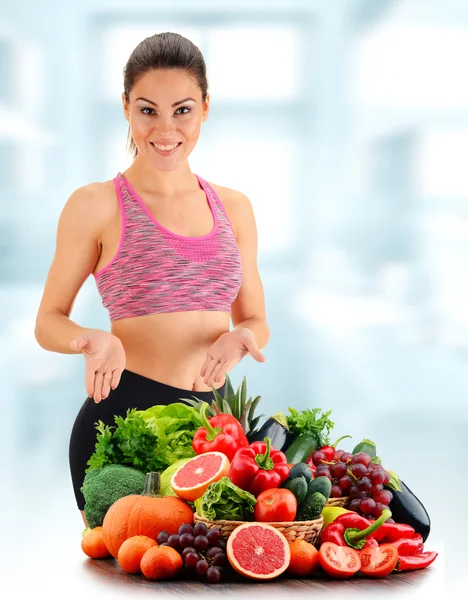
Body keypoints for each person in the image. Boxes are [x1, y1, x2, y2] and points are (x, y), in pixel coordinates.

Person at [34, 32, 270, 527]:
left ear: (205, 108)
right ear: (125, 108)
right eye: (148, 110)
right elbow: (47, 321)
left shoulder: (235, 207)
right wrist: (91, 339)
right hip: (122, 425)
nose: (165, 128)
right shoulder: (96, 204)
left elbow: (254, 317)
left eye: (182, 110)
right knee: (137, 573)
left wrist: (243, 337)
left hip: (215, 429)